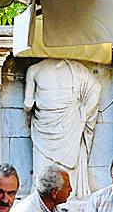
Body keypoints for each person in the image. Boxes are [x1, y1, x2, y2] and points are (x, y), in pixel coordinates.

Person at [24, 59, 102, 198]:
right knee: (41, 179)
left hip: (69, 123)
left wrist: (82, 114)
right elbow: (96, 88)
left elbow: (27, 104)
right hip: (47, 125)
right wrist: (83, 114)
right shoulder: (75, 70)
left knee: (59, 180)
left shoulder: (75, 70)